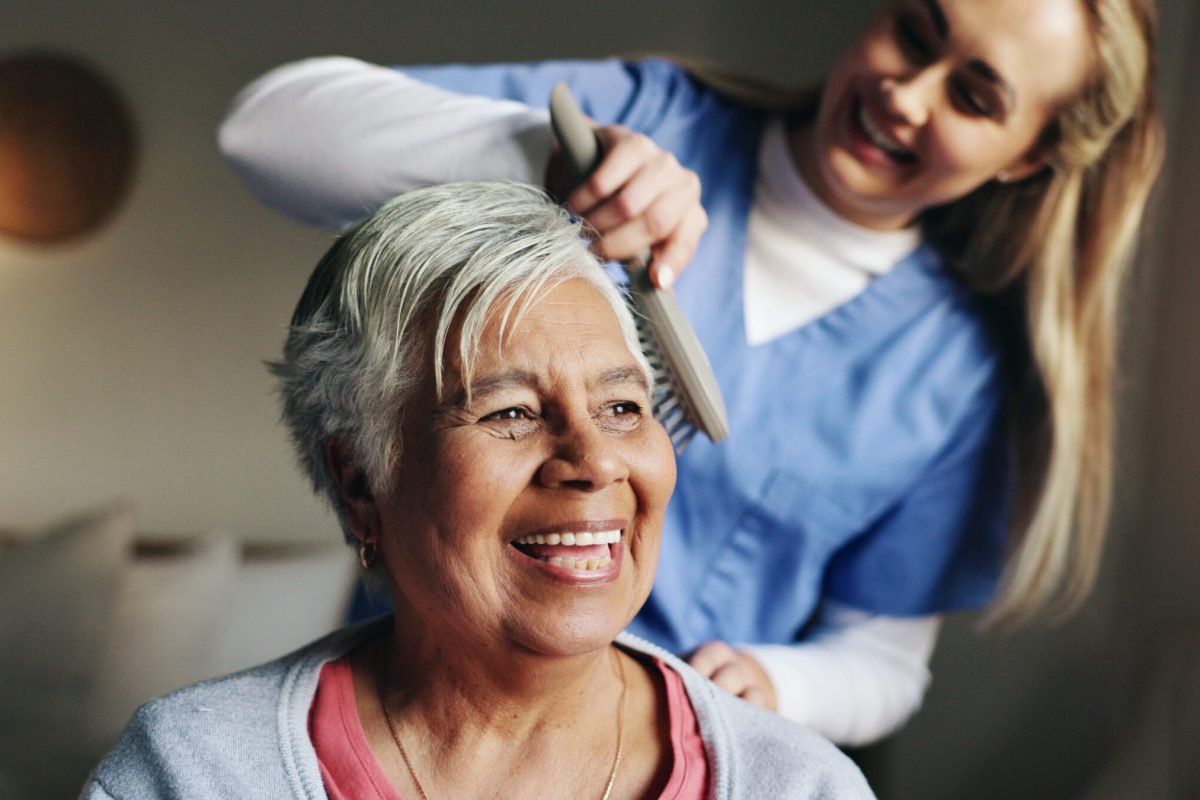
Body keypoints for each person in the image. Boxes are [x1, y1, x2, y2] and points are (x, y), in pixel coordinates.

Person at [216, 0, 1164, 745]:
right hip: (418, 712)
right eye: (915, 31)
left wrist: (776, 684)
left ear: (1029, 155)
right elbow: (263, 133)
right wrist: (539, 162)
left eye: (975, 96)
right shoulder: (643, 123)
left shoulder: (954, 377)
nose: (907, 93)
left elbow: (882, 658)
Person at [80, 181, 874, 799]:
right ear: (362, 484)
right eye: (512, 412)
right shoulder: (193, 774)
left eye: (622, 407)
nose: (594, 461)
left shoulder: (798, 785)